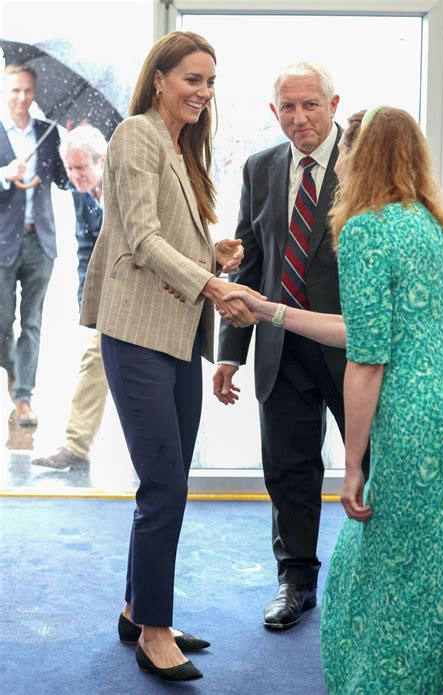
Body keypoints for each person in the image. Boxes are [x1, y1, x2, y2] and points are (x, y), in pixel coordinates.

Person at [223, 106, 443, 693]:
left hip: (408, 414)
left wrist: (353, 463)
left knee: (382, 570)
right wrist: (272, 311)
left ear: (356, 156)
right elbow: (371, 327)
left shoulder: (362, 229)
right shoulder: (436, 225)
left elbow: (365, 356)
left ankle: (386, 681)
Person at [79, 31, 261, 682]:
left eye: (211, 82)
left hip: (179, 334)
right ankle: (154, 630)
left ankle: (137, 607)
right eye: (192, 79)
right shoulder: (135, 133)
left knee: (167, 481)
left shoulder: (182, 149)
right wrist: (212, 283)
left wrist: (215, 254)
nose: (203, 92)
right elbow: (142, 237)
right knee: (166, 485)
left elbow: (169, 237)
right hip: (137, 334)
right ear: (159, 79)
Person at [214, 62, 369, 631]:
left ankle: (382, 583)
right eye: (288, 107)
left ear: (334, 104)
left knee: (375, 466)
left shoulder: (364, 168)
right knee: (288, 470)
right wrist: (231, 350)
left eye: (310, 105)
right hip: (282, 348)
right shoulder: (260, 168)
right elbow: (250, 262)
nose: (299, 118)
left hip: (353, 348)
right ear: (273, 111)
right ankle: (296, 581)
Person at [31, 125, 108, 470]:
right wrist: (85, 301)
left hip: (148, 295)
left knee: (110, 368)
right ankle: (76, 447)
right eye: (71, 169)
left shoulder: (127, 186)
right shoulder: (82, 195)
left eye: (82, 168)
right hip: (111, 301)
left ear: (101, 162)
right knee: (96, 363)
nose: (76, 176)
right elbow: (86, 250)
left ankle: (78, 447)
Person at [0, 64, 68, 426]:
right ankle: (13, 370)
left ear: (35, 92)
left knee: (31, 322)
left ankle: (23, 396)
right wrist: (4, 175)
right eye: (15, 90)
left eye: (28, 90)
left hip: (40, 241)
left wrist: (72, 151)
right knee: (1, 320)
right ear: (5, 91)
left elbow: (65, 182)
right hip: (2, 243)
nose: (22, 98)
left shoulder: (48, 133)